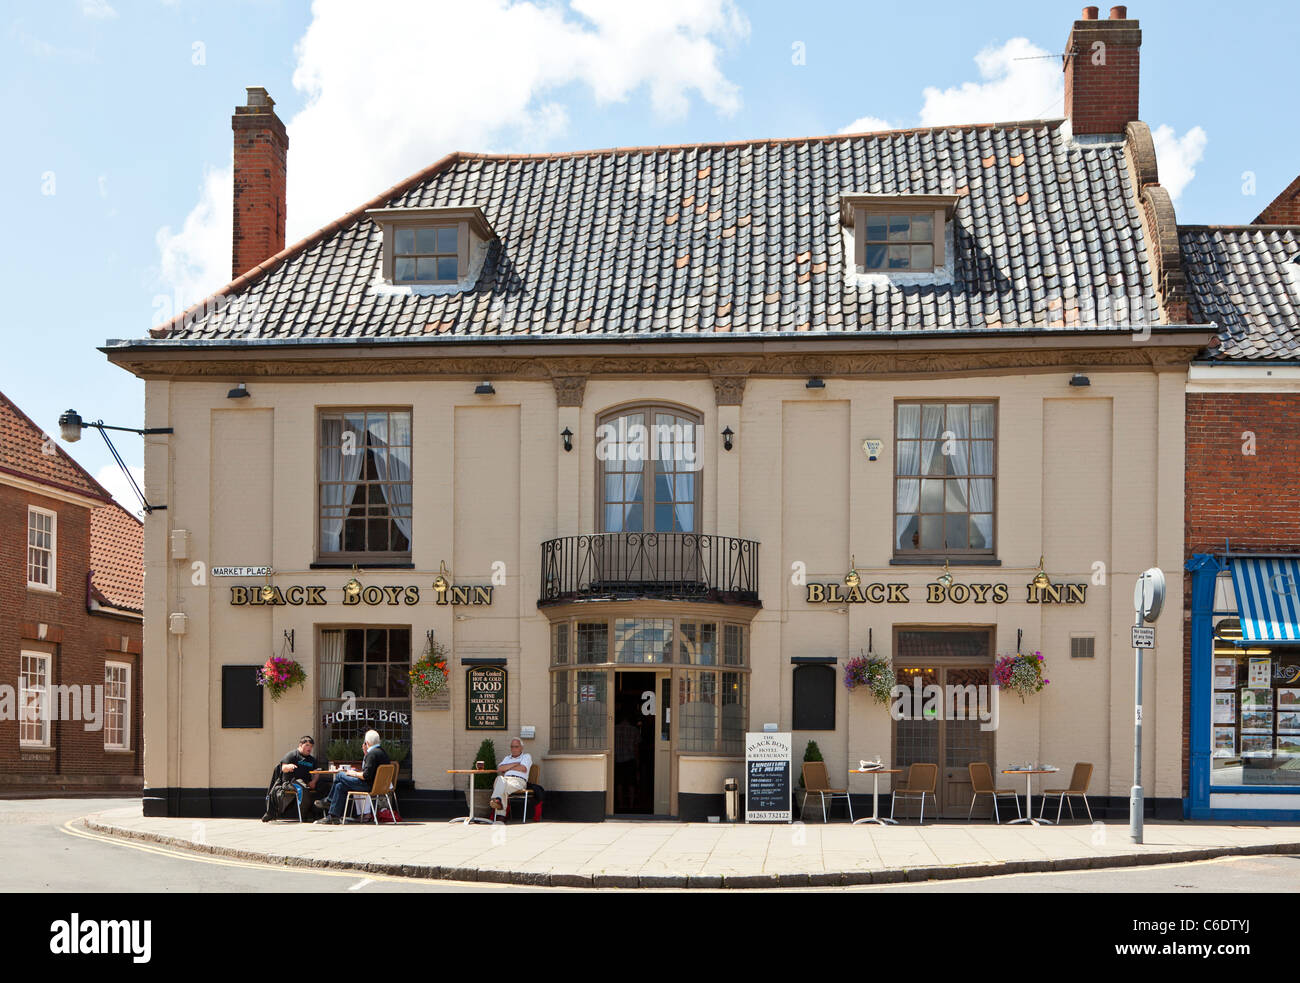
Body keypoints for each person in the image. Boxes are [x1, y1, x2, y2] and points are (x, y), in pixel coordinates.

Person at [315, 730, 390, 825]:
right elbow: (371, 773)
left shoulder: (372, 754)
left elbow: (365, 776)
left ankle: (329, 800)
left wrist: (352, 773)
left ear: (367, 743)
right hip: (378, 786)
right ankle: (333, 816)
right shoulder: (383, 753)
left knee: (339, 775)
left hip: (368, 786)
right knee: (340, 786)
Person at [263, 735, 323, 822]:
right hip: (290, 782)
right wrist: (289, 766)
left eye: (311, 746)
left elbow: (316, 772)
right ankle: (304, 815)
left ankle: (318, 813)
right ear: (300, 745)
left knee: (324, 786)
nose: (309, 748)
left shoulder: (312, 759)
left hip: (306, 781)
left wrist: (313, 781)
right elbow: (283, 768)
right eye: (307, 745)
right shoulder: (292, 755)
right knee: (303, 788)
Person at [489, 738, 532, 820]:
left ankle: (500, 811)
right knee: (500, 779)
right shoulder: (507, 758)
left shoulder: (526, 756)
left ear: (521, 748)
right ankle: (498, 801)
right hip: (505, 780)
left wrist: (507, 768)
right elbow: (500, 769)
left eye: (516, 747)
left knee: (501, 787)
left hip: (518, 781)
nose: (514, 749)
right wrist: (515, 764)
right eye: (512, 747)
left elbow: (523, 768)